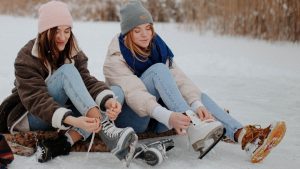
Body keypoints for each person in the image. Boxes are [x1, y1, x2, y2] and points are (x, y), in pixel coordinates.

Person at [103, 0, 286, 163]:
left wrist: (197, 104)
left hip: (160, 119)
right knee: (159, 70)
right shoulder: (116, 57)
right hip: (134, 119)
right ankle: (194, 127)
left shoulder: (157, 47)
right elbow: (136, 94)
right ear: (127, 33)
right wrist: (170, 116)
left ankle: (244, 137)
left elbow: (180, 80)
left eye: (148, 28)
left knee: (199, 98)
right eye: (137, 30)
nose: (145, 35)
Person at [0, 1, 137, 163]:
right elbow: (37, 100)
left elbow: (87, 81)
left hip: (63, 112)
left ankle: (64, 142)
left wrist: (109, 102)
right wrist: (74, 120)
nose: (62, 37)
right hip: (31, 116)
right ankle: (107, 128)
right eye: (56, 31)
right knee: (67, 71)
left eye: (67, 31)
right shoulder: (27, 57)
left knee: (115, 93)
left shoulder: (73, 51)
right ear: (44, 32)